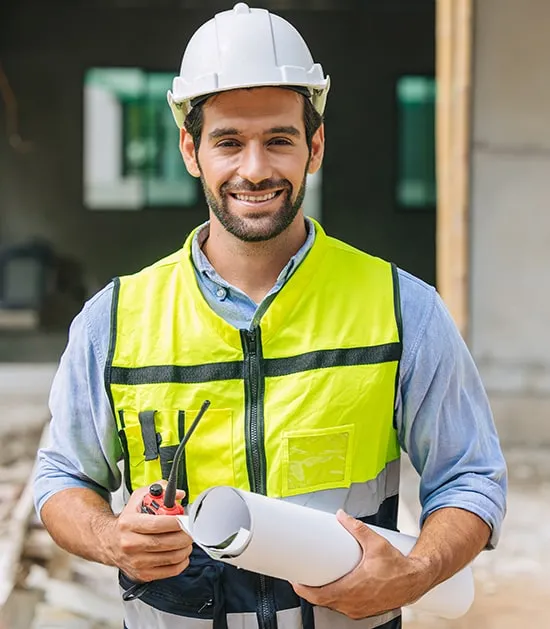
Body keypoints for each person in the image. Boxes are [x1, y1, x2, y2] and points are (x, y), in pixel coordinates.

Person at [34, 3, 507, 629]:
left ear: (314, 145)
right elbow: (63, 478)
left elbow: (471, 477)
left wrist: (416, 571)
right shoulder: (115, 320)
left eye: (278, 140)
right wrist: (107, 537)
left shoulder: (401, 309)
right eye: (228, 141)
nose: (253, 169)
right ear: (190, 150)